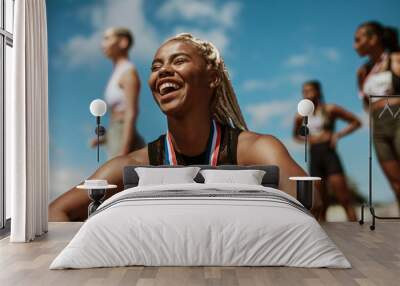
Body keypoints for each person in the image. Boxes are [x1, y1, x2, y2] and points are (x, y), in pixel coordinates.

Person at [49, 33, 318, 222]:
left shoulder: (257, 149)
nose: (163, 70)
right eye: (156, 66)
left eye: (178, 61)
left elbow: (309, 205)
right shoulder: (135, 163)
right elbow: (56, 212)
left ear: (212, 78)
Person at [293, 80, 361, 221]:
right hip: (314, 155)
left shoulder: (330, 109)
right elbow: (295, 136)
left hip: (329, 154)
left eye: (310, 90)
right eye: (304, 91)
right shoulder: (300, 116)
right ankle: (325, 238)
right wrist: (307, 139)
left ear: (318, 91)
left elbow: (356, 122)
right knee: (320, 203)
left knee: (344, 199)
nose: (306, 94)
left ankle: (358, 234)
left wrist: (337, 135)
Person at [354, 21, 400, 208]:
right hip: (378, 126)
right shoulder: (363, 71)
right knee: (395, 183)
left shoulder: (395, 59)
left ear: (373, 39)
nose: (354, 45)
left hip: (398, 119)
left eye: (358, 39)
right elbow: (366, 102)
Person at [90, 27, 145, 159]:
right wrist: (106, 138)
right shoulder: (117, 72)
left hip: (122, 135)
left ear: (123, 42)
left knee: (117, 178)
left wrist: (124, 150)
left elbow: (131, 111)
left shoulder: (128, 72)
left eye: (107, 38)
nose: (102, 44)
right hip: (116, 133)